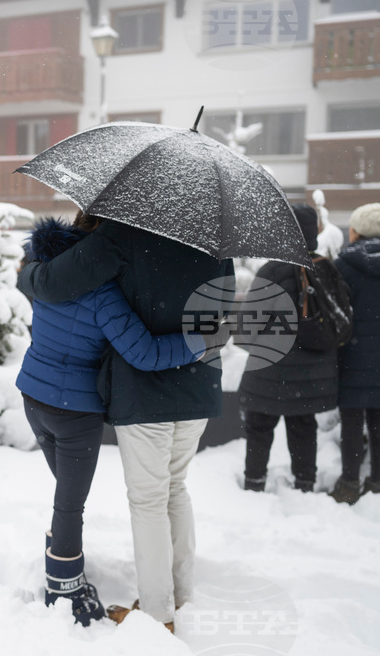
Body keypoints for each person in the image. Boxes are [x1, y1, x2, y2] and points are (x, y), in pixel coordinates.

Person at [18, 217, 234, 633]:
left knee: (149, 501)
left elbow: (54, 282)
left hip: (146, 393)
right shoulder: (213, 237)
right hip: (199, 383)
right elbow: (220, 307)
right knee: (175, 488)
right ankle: (181, 594)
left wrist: (26, 273)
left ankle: (158, 614)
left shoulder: (124, 234)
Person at [239, 204, 344, 494]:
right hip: (312, 375)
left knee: (259, 428)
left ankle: (254, 484)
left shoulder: (272, 270)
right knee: (303, 428)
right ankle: (305, 485)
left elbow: (247, 329)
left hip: (269, 373)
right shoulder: (325, 268)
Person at [330, 202, 380, 504]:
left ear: (355, 232)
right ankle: (377, 482)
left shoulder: (343, 266)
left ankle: (349, 483)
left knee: (351, 423)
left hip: (352, 358)